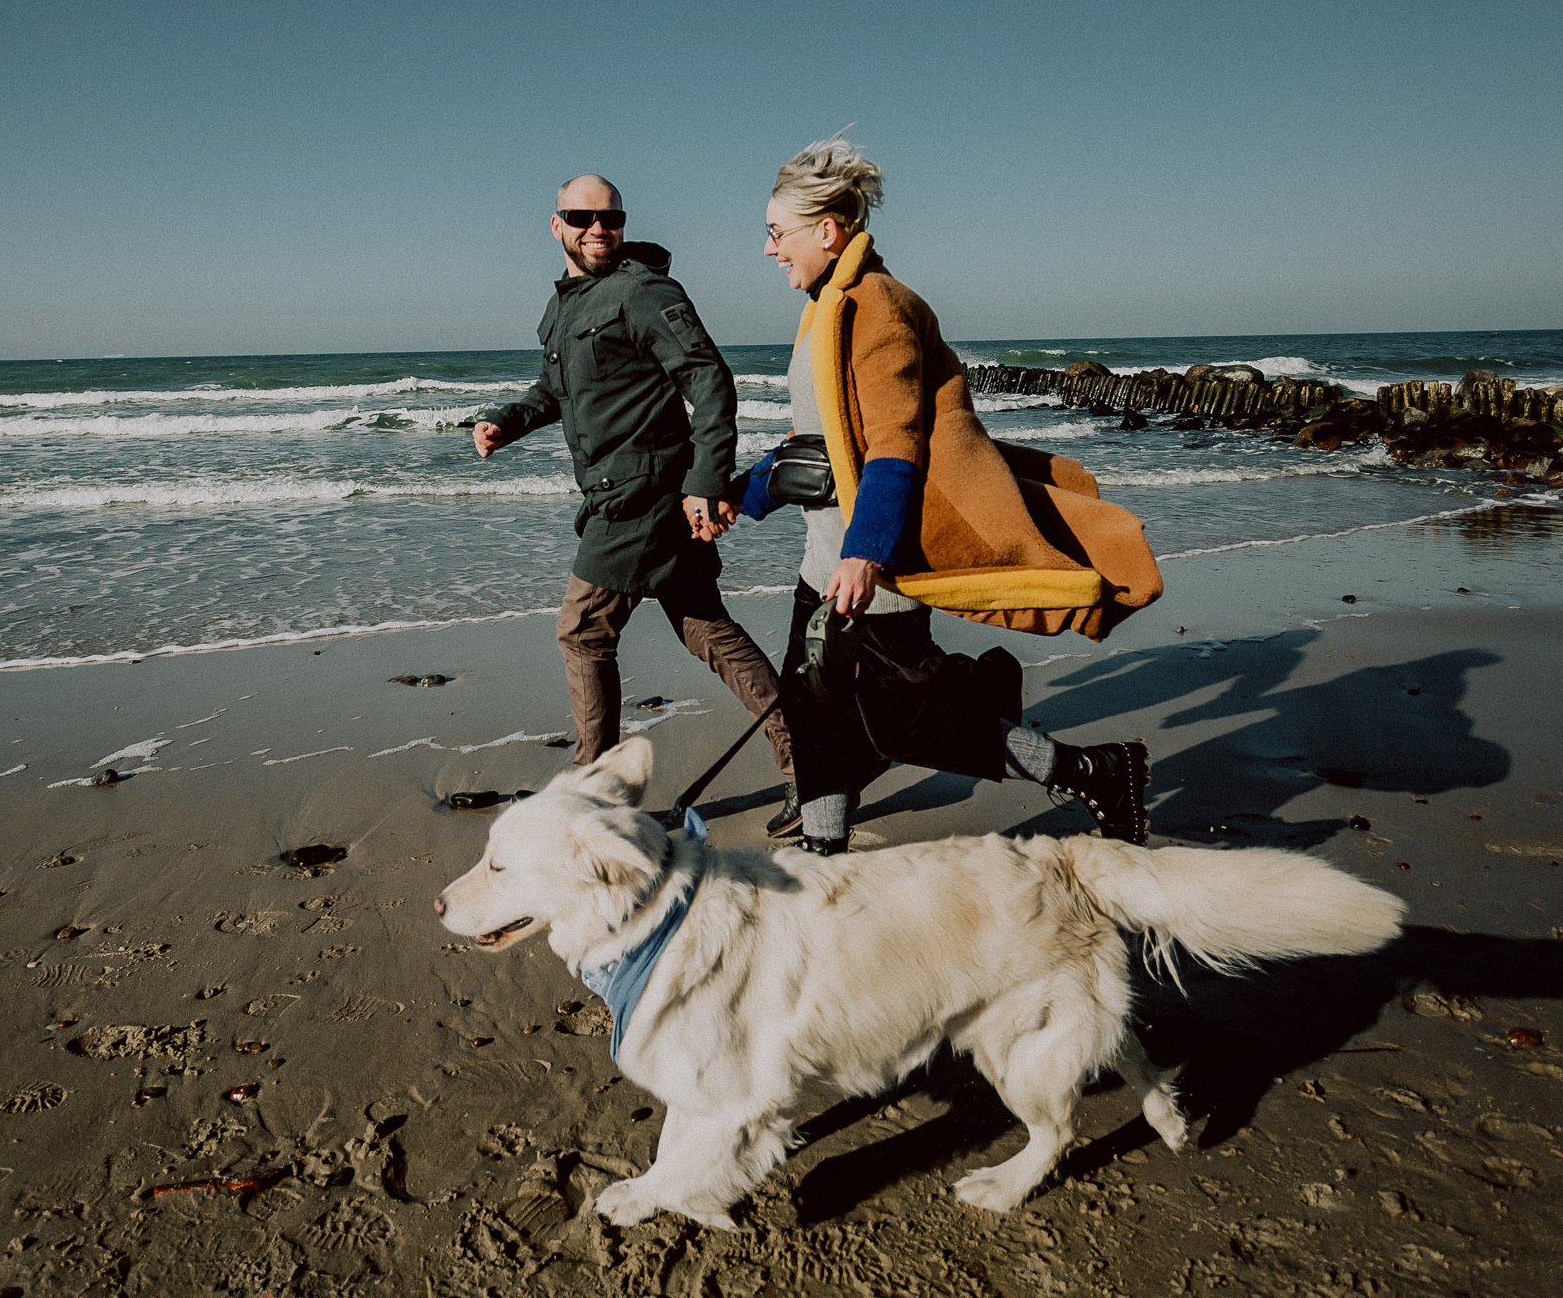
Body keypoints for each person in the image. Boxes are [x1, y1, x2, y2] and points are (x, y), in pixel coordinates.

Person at [729, 138, 1165, 852]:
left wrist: (866, 554)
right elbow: (821, 445)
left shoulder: (877, 307)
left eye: (777, 233)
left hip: (880, 571)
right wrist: (739, 497)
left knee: (912, 723)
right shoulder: (823, 309)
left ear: (826, 232)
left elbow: (896, 446)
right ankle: (825, 859)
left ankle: (1097, 771)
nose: (769, 248)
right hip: (826, 561)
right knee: (814, 717)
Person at [474, 173, 798, 783]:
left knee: (583, 629)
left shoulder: (644, 291)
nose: (599, 229)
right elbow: (557, 389)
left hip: (644, 494)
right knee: (704, 624)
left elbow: (708, 378)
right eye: (582, 217)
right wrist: (504, 422)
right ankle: (807, 750)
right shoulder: (563, 307)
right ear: (556, 224)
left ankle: (593, 791)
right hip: (616, 493)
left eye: (612, 219)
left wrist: (707, 478)